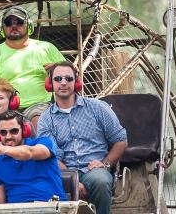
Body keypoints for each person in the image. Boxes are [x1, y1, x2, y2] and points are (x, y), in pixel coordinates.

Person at [37, 61, 128, 214]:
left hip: (94, 170)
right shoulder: (46, 119)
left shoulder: (97, 107)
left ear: (76, 82)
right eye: (58, 79)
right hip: (64, 171)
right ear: (50, 84)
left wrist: (106, 164)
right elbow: (52, 156)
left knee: (101, 181)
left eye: (69, 78)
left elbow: (121, 140)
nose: (63, 83)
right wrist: (72, 180)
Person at [0, 6, 65, 126]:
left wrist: (58, 70)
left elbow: (70, 74)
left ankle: (41, 145)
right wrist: (3, 105)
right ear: (2, 28)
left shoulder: (47, 48)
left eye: (19, 22)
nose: (14, 26)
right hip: (5, 107)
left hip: (40, 106)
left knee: (39, 121)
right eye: (8, 23)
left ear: (29, 25)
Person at [0, 110, 66, 203]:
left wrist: (4, 149)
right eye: (3, 132)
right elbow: (0, 201)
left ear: (24, 130)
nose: (8, 137)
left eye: (14, 131)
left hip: (50, 206)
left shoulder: (44, 142)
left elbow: (30, 153)